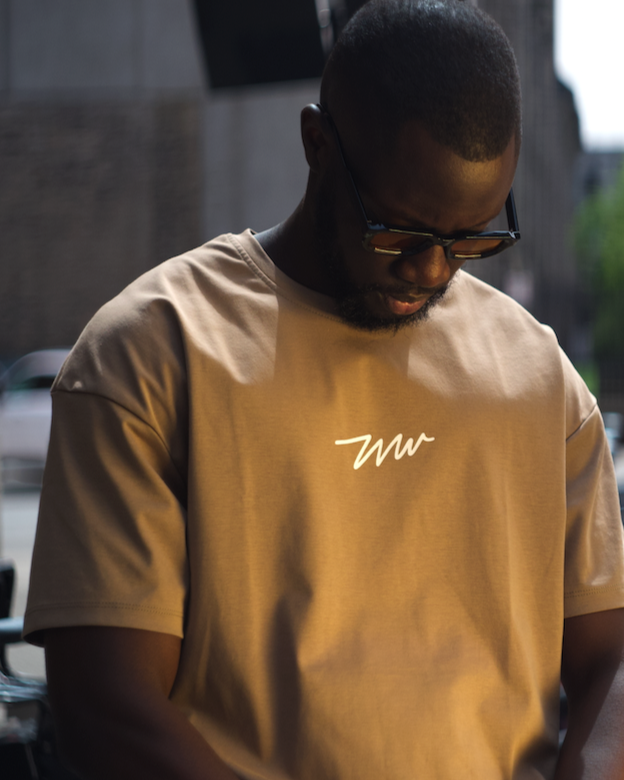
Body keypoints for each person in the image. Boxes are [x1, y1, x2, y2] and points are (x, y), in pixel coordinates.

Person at [24, 1, 624, 778]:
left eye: (471, 238)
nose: (433, 271)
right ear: (318, 145)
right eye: (400, 232)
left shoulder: (541, 380)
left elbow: (609, 659)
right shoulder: (149, 354)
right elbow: (105, 702)